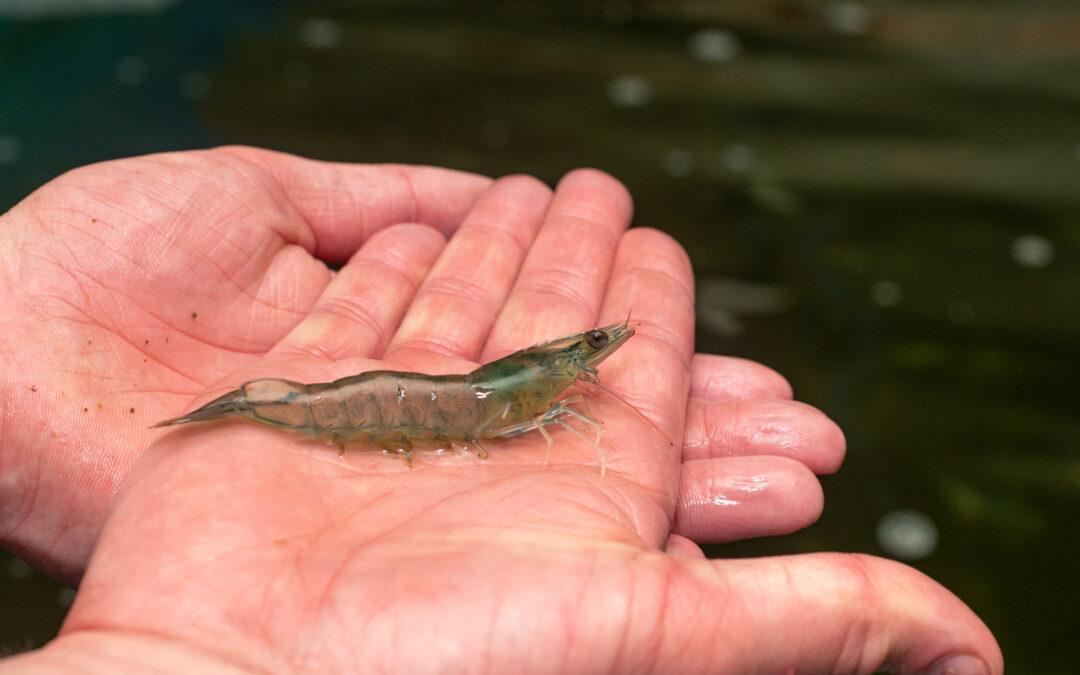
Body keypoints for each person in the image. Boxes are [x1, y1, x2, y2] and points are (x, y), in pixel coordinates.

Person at [0, 147, 1001, 673]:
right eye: (588, 351)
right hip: (415, 404)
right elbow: (497, 400)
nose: (599, 356)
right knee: (373, 408)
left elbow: (538, 381)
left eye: (591, 352)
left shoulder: (555, 376)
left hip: (437, 399)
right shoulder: (533, 392)